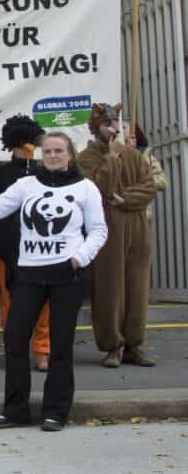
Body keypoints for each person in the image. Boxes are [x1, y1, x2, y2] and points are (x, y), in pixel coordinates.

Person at [0, 131, 108, 431]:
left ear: (70, 154)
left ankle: (56, 411)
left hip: (67, 275)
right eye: (48, 151)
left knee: (61, 345)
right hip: (28, 274)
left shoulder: (85, 188)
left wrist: (79, 258)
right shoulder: (27, 185)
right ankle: (15, 410)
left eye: (59, 151)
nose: (52, 155)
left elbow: (98, 231)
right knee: (14, 339)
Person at [77, 103, 157, 368]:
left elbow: (149, 188)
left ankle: (134, 344)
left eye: (116, 123)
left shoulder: (134, 156)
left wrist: (126, 198)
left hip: (136, 229)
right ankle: (113, 346)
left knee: (137, 286)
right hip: (106, 230)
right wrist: (111, 159)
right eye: (107, 124)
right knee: (109, 289)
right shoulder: (86, 158)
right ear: (95, 126)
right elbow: (98, 191)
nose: (113, 129)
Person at [0, 115, 49, 371]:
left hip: (41, 249)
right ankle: (14, 349)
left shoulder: (45, 174)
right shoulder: (1, 176)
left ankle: (42, 350)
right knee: (10, 301)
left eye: (31, 144)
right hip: (8, 250)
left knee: (43, 303)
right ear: (12, 146)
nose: (27, 149)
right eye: (22, 145)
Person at [125, 123, 167, 222]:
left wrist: (143, 179)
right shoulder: (112, 154)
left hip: (141, 216)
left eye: (123, 127)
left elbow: (162, 182)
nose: (119, 130)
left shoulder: (146, 156)